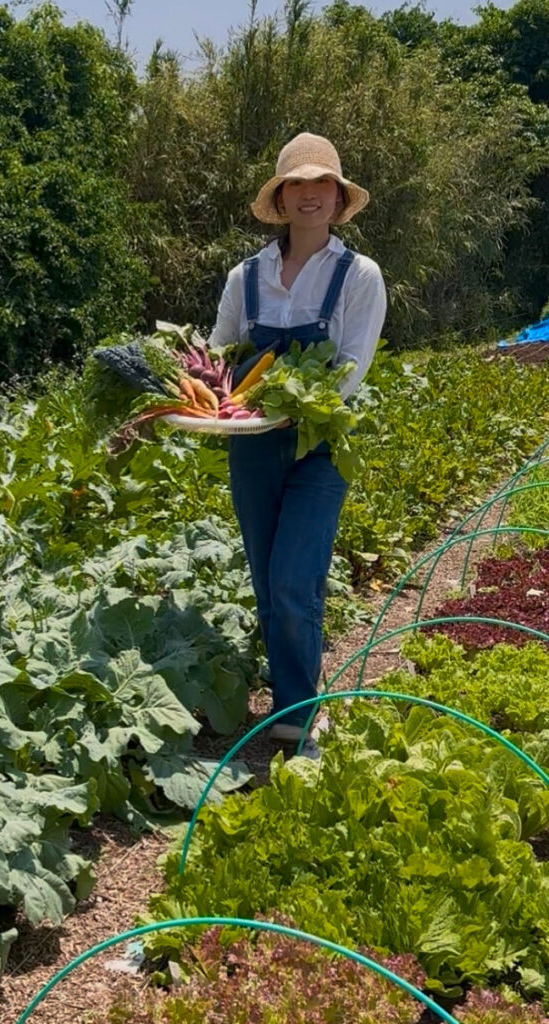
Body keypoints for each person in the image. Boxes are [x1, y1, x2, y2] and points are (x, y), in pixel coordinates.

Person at [209, 132, 387, 756]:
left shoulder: (358, 276)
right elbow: (220, 353)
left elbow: (348, 370)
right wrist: (205, 397)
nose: (309, 195)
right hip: (251, 446)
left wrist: (286, 404)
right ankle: (293, 689)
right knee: (266, 578)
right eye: (297, 185)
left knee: (293, 581)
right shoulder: (246, 275)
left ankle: (298, 718)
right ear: (280, 198)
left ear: (338, 200)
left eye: (322, 186)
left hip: (319, 444)